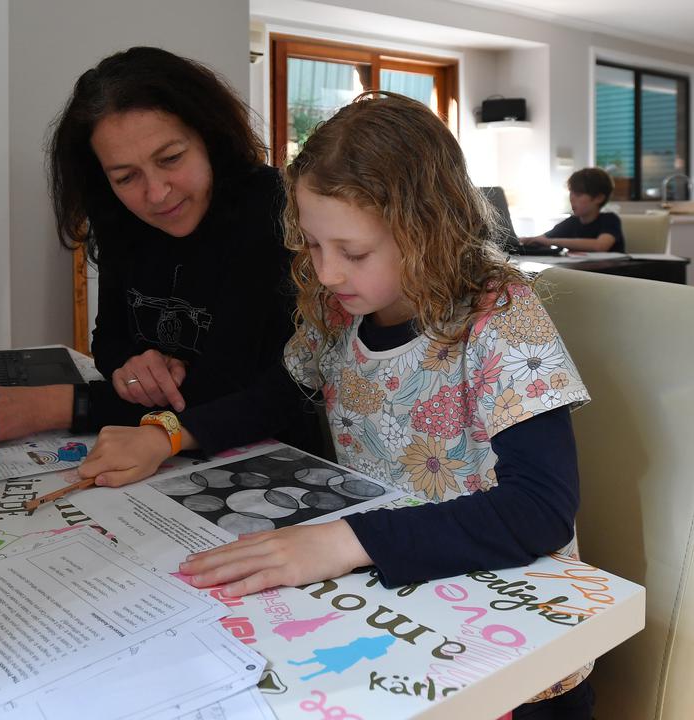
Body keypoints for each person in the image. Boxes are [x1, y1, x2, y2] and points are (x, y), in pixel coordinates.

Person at [179, 92, 596, 719]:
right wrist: (169, 434)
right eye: (314, 246)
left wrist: (345, 540)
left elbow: (541, 509)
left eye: (353, 253)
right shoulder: (337, 312)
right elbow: (278, 395)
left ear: (428, 233)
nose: (326, 273)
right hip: (399, 603)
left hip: (517, 655)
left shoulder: (500, 318)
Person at [0, 46, 319, 486]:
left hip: (274, 457)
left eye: (170, 159)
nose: (157, 194)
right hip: (170, 449)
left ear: (209, 136)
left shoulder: (268, 210)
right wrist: (134, 366)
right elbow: (108, 340)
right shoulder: (119, 218)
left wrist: (50, 406)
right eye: (126, 177)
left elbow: (225, 386)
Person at [520, 167, 626, 253]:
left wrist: (551, 241)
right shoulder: (572, 222)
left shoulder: (610, 219)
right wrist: (524, 240)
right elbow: (542, 239)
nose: (572, 198)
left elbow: (600, 245)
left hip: (612, 275)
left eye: (578, 194)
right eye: (571, 193)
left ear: (599, 198)